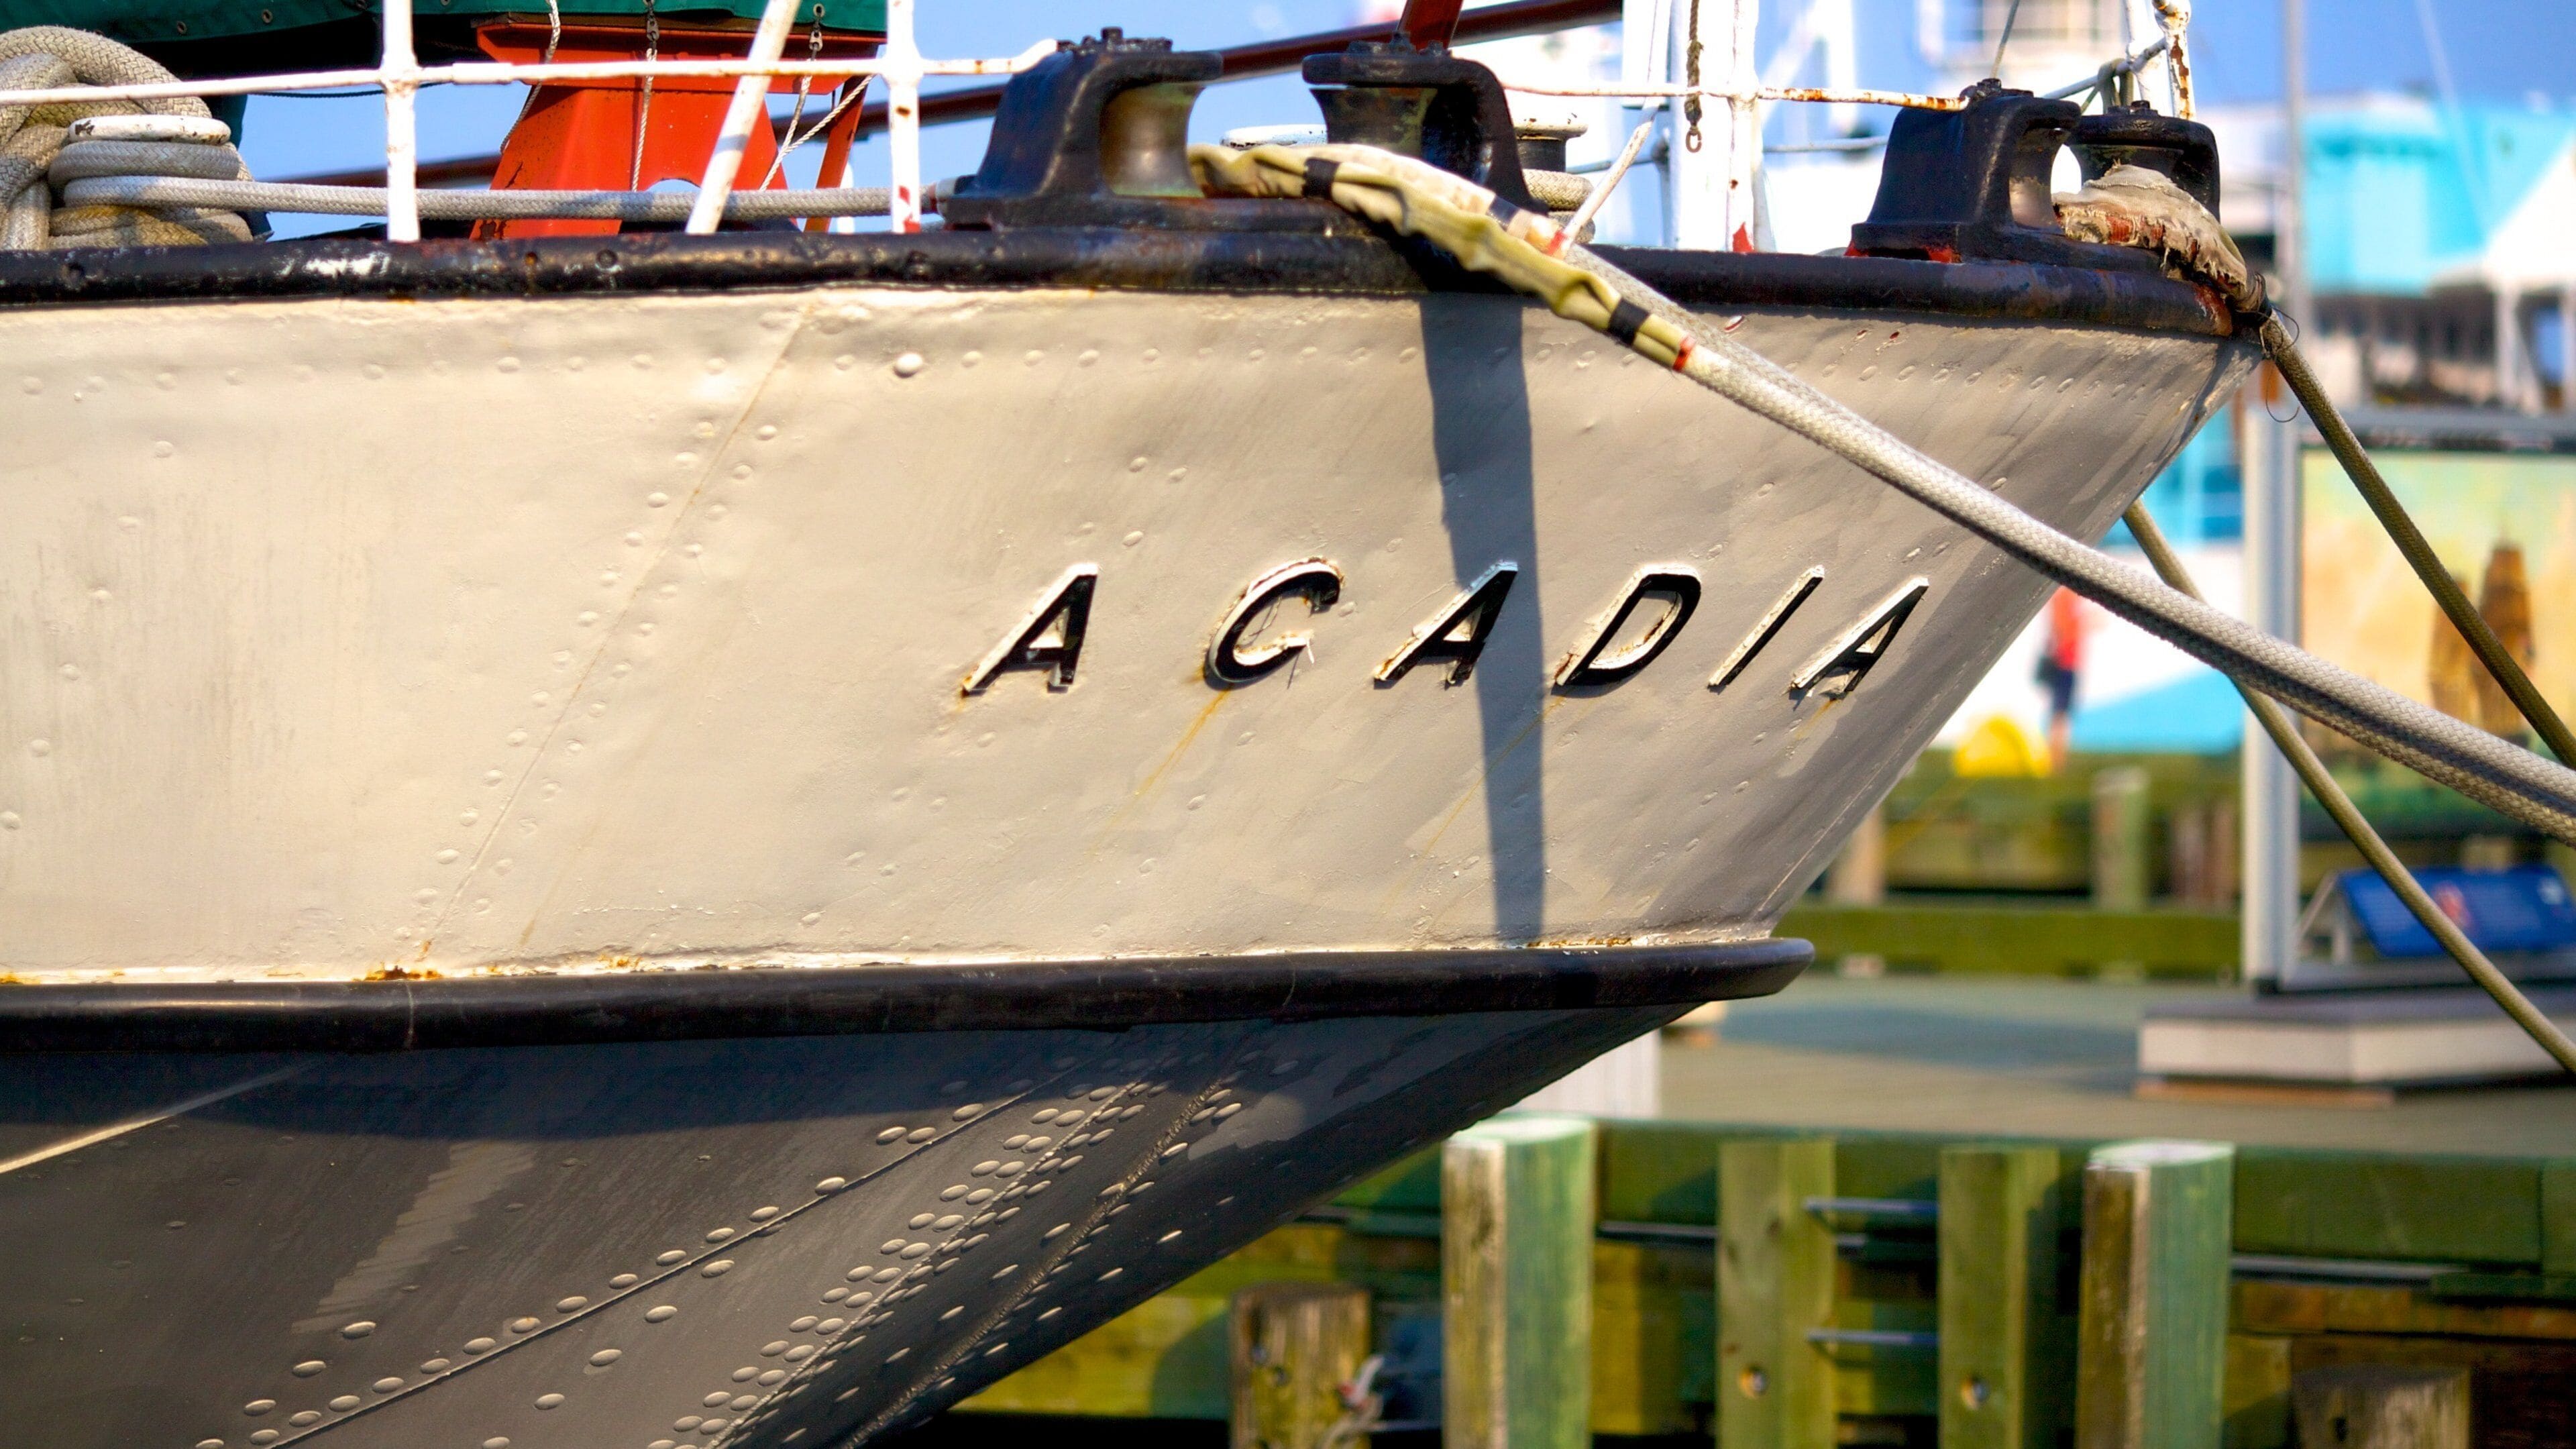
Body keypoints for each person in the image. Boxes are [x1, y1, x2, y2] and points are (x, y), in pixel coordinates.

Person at [2034, 586, 2086, 770]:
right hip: (2065, 661)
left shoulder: (2064, 596)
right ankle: (2055, 763)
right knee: (2060, 715)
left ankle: (2056, 761)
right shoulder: (2065, 596)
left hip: (2066, 660)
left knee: (2060, 715)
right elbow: (2062, 628)